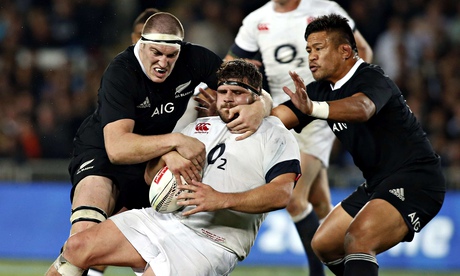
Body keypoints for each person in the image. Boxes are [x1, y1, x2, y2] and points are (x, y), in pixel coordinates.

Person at [45, 12, 271, 276]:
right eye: (156, 53)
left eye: (170, 55)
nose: (163, 62)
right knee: (83, 235)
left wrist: (260, 107)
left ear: (181, 49)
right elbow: (118, 149)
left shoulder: (195, 58)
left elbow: (243, 87)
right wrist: (174, 143)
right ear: (141, 44)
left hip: (150, 162)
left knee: (144, 247)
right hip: (103, 153)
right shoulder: (122, 71)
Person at [271, 14, 446, 276]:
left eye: (319, 48)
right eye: (308, 50)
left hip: (417, 178)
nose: (311, 57)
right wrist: (242, 111)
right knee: (324, 244)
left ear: (344, 50)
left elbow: (363, 108)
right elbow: (277, 119)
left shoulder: (372, 77)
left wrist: (314, 108)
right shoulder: (321, 90)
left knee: (359, 238)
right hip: (377, 183)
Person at [224, 1, 373, 275]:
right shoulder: (256, 20)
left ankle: (317, 273)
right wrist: (240, 72)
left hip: (319, 111)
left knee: (294, 197)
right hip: (282, 115)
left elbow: (362, 50)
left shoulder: (324, 7)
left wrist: (345, 92)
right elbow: (230, 64)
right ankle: (351, 259)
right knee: (319, 205)